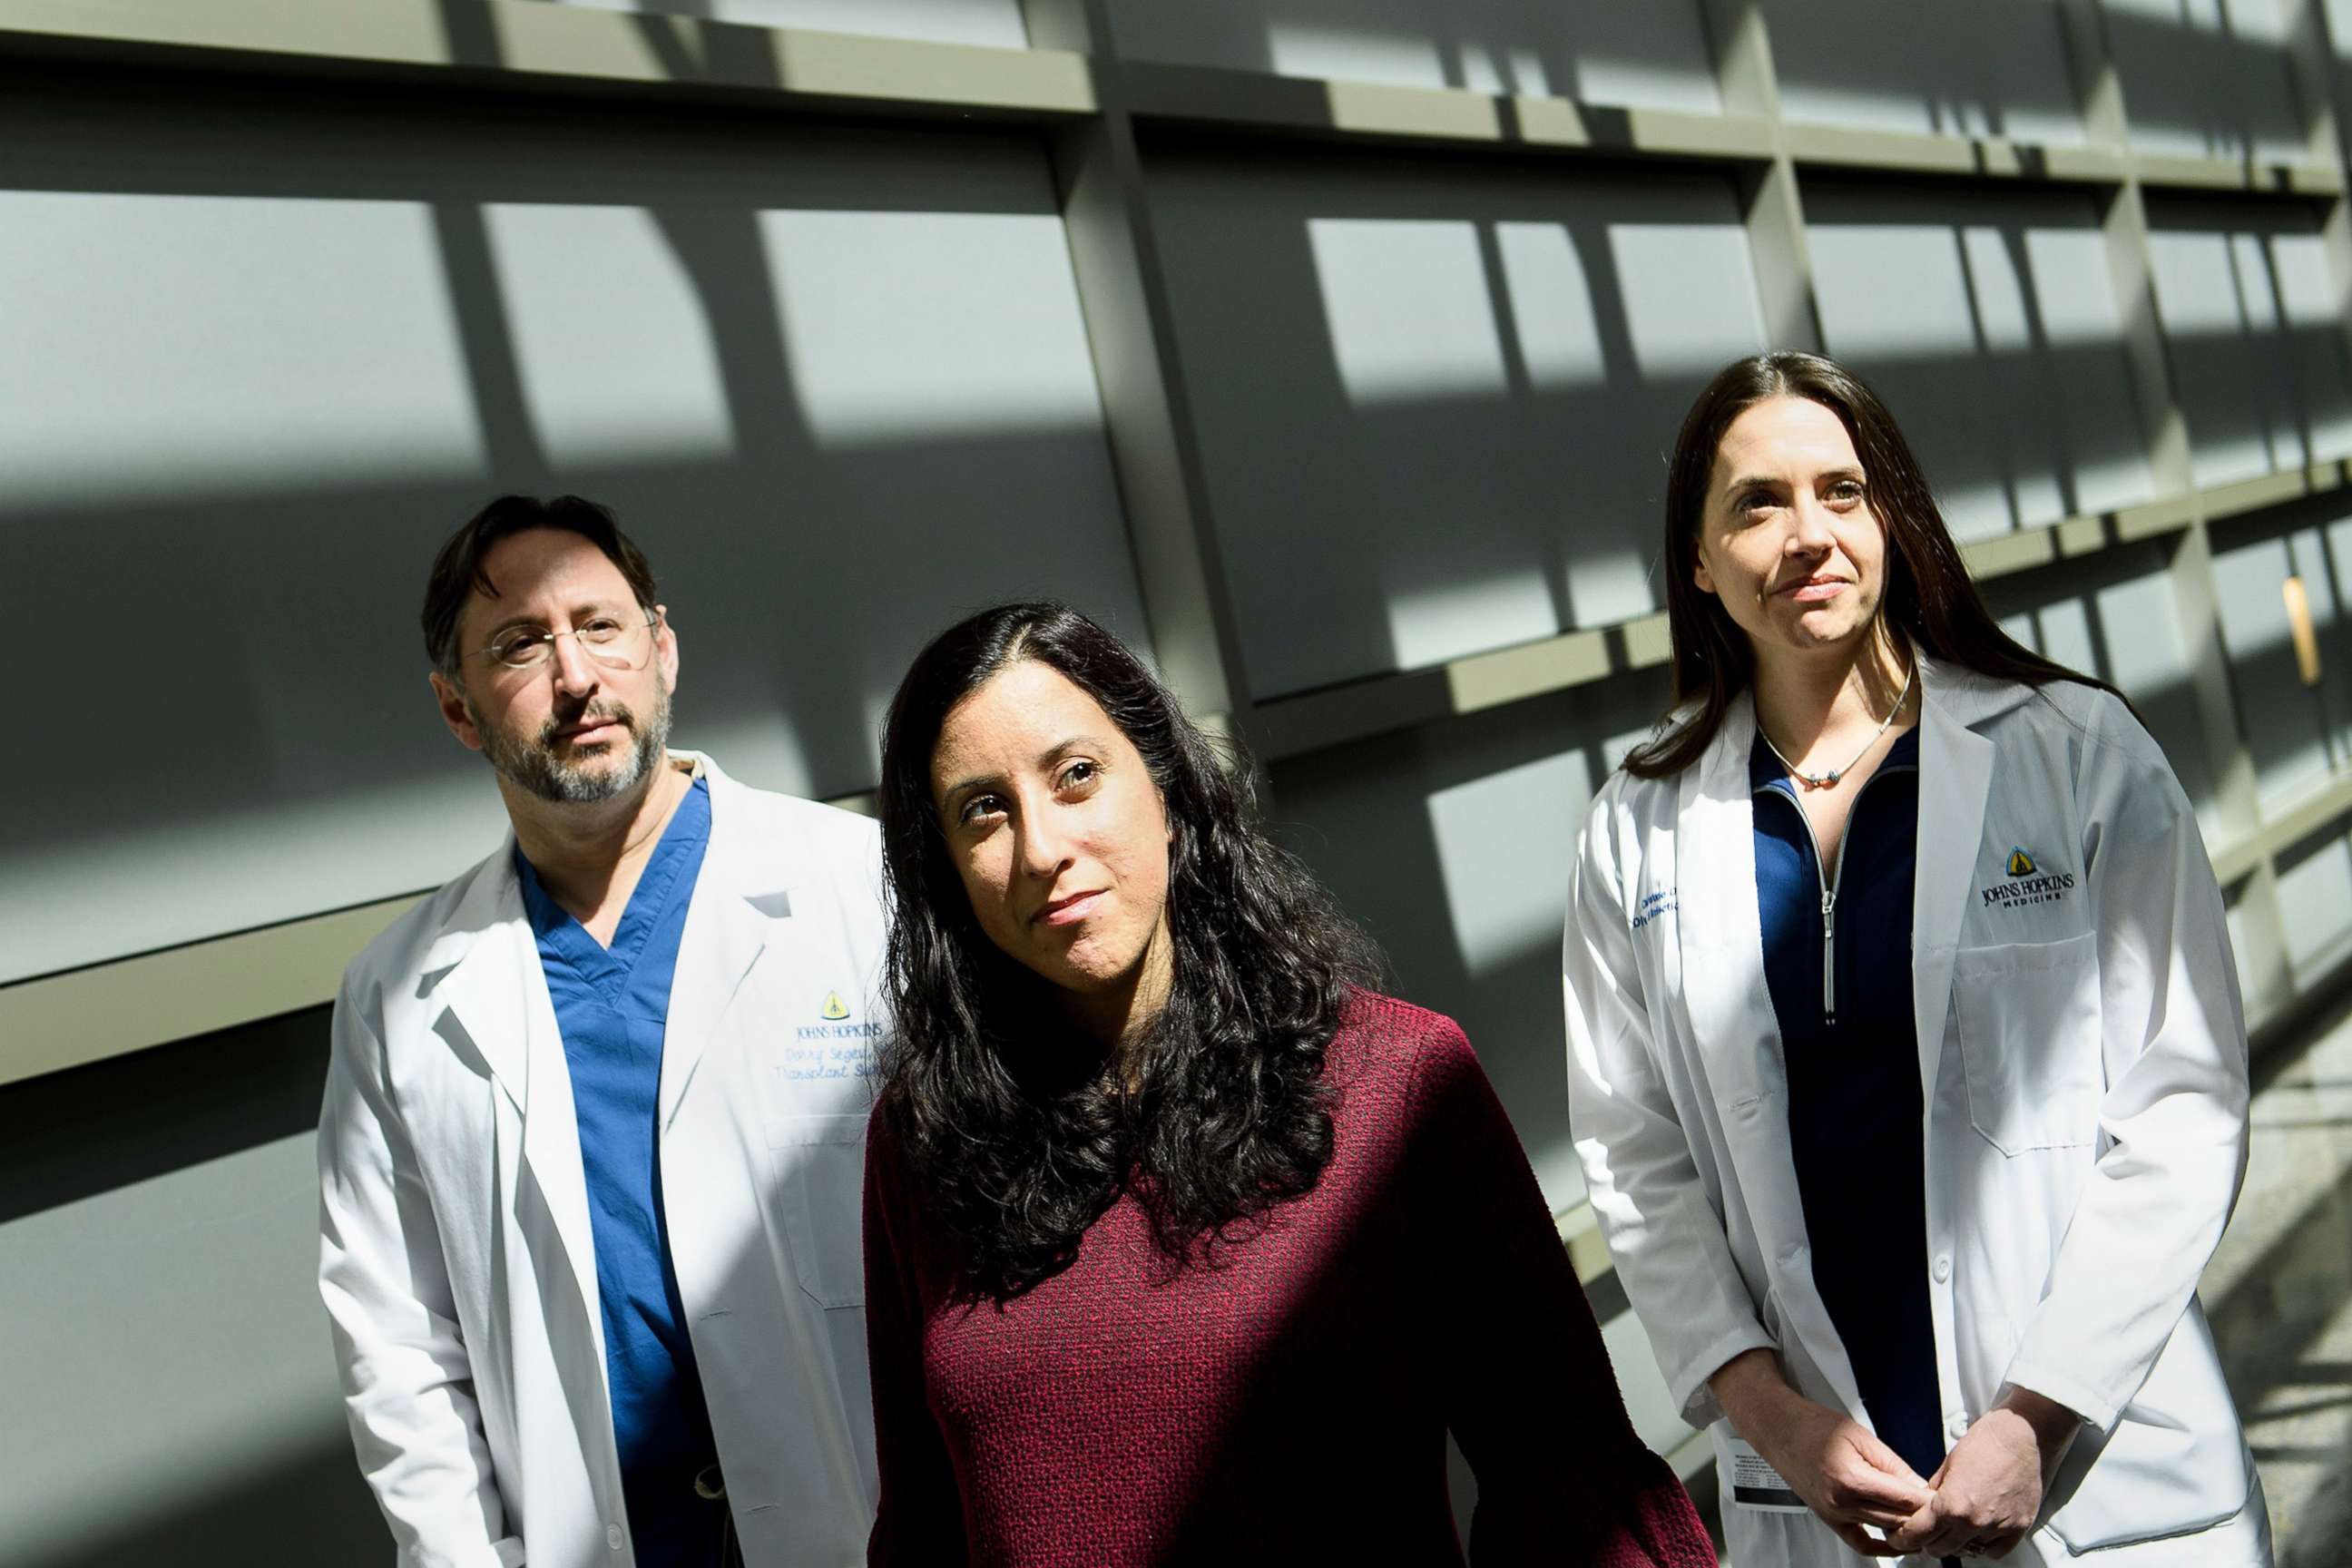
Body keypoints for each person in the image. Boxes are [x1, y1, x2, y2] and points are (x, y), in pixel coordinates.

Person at [1562, 351, 2270, 1565]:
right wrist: (1771, 1417)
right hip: (1824, 1486)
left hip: (2092, 1474)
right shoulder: (1637, 826)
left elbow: (2183, 1102)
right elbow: (1638, 1160)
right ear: (1697, 559)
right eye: (1756, 502)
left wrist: (2039, 1414)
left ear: (1892, 516)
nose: (1808, 535)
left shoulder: (2074, 753)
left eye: (1842, 491)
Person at [859, 601, 1715, 1567]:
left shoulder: (1394, 1082)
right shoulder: (927, 1141)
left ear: (1171, 794)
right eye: (984, 810)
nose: (1042, 847)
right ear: (948, 875)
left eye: (1077, 776)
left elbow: (1565, 1477)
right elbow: (922, 1527)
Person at [318, 495, 887, 1567]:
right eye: (520, 645)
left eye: (601, 626)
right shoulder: (394, 995)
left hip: (868, 1521)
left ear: (662, 650)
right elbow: (396, 1349)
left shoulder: (860, 886)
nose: (575, 675)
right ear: (458, 708)